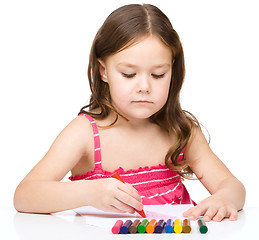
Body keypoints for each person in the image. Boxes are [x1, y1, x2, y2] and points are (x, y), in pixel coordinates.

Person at [13, 4, 245, 222]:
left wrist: (224, 198)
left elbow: (231, 185)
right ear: (103, 71)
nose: (144, 86)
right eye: (128, 74)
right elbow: (24, 195)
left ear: (173, 70)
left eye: (158, 75)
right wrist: (87, 193)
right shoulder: (85, 133)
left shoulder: (181, 130)